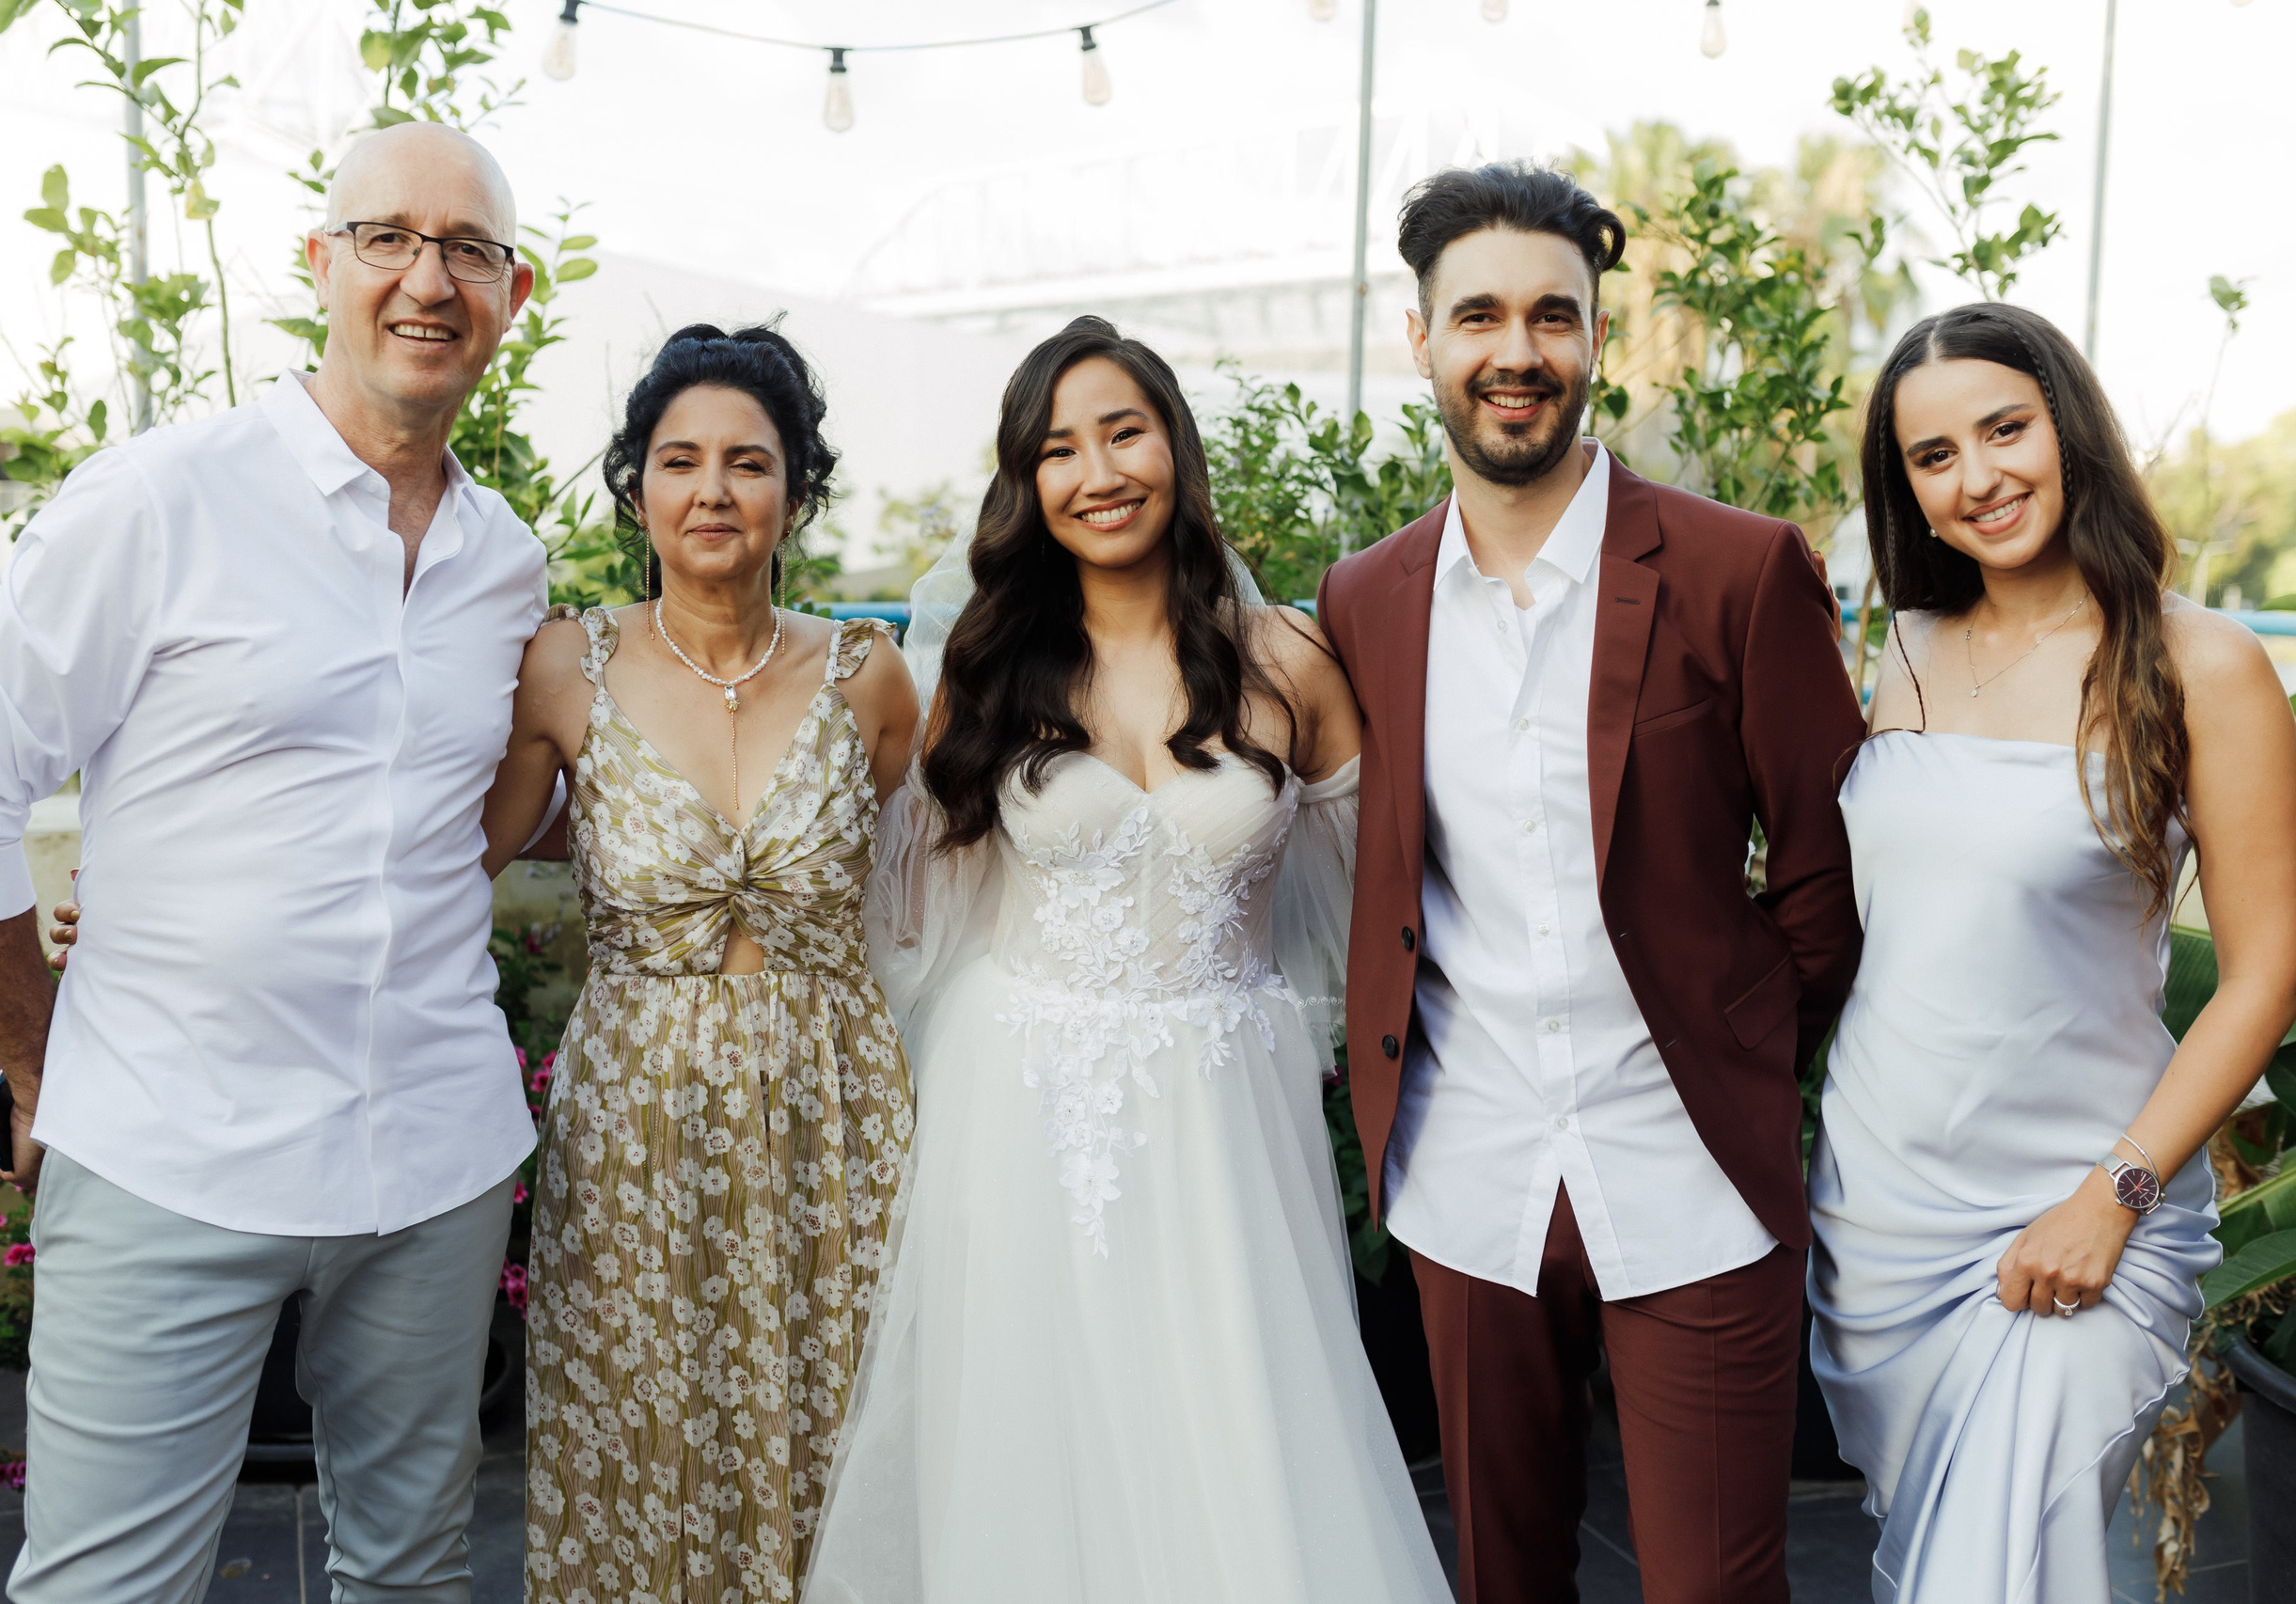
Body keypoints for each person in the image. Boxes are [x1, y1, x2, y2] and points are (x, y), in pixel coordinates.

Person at [0, 123, 545, 1601]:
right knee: (108, 1587)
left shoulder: (507, 562)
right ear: (319, 266)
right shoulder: (157, 501)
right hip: (167, 1157)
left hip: (431, 1162)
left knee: (414, 1575)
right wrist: (39, 1065)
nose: (427, 279)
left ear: (513, 295)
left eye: (467, 250)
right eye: (389, 237)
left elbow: (485, 803)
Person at [804, 316, 1450, 1602]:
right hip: (1025, 1104)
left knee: (1239, 1418)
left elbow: (1368, 903)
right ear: (1027, 485)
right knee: (1035, 1431)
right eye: (1059, 447)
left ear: (1175, 447)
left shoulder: (1289, 662)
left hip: (1225, 1112)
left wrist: (1308, 1039)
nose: (1097, 469)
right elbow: (921, 913)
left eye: (1123, 431)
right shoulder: (990, 671)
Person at [1316, 162, 1867, 1604]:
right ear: (1420, 339)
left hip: (1685, 1163)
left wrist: (1743, 1048)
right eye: (1480, 315)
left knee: (1714, 1583)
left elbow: (1832, 864)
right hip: (1464, 1163)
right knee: (1504, 1574)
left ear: (1597, 341)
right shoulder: (1362, 598)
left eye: (1553, 316)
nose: (1518, 352)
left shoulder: (1738, 572)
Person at [1807, 302, 2296, 1601]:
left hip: (2084, 1206)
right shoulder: (1898, 652)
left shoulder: (2205, 661)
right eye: (1934, 456)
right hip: (1882, 1205)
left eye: (2005, 428)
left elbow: (2265, 970)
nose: (1979, 478)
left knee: (2010, 1565)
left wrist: (2114, 1193)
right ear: (1905, 490)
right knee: (1933, 1560)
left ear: (2067, 426)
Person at [475, 322, 921, 1604]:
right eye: (679, 461)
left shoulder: (867, 675)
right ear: (636, 489)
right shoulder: (571, 665)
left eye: (748, 462)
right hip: (639, 1113)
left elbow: (943, 874)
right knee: (644, 1427)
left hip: (839, 1109)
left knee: (839, 1414)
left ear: (798, 490)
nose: (712, 491)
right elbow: (450, 855)